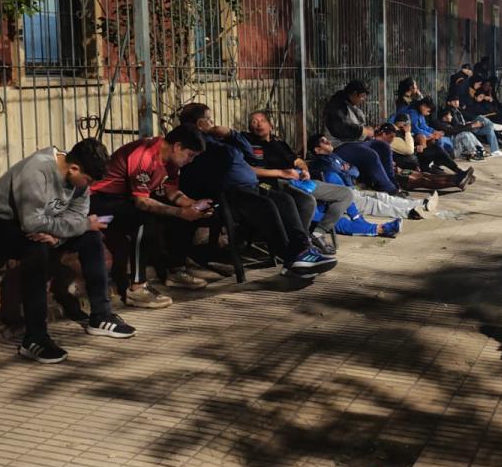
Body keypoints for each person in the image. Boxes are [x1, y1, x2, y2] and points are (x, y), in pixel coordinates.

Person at [0, 139, 135, 363]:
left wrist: (59, 236)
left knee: (91, 237)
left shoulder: (81, 180)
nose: (87, 186)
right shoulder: (37, 171)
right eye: (87, 180)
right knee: (36, 249)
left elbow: (76, 217)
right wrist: (74, 227)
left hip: (40, 225)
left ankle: (101, 315)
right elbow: (32, 223)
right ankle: (35, 338)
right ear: (74, 168)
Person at [177, 103, 338, 278]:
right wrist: (231, 139)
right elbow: (231, 157)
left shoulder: (216, 138)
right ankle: (291, 257)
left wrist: (230, 135)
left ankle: (303, 249)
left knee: (285, 199)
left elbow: (249, 155)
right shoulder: (196, 142)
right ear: (200, 123)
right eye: (209, 119)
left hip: (252, 186)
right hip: (229, 193)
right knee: (267, 205)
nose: (213, 122)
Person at [88, 125, 212, 311]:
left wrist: (192, 205)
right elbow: (142, 203)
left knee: (180, 215)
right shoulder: (144, 156)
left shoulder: (171, 161)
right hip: (100, 201)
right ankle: (137, 288)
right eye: (190, 155)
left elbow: (171, 193)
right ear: (177, 147)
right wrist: (180, 212)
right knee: (144, 219)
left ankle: (175, 270)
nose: (190, 161)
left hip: (127, 199)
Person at [243, 110, 355, 254]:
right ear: (250, 128)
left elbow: (297, 160)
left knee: (346, 193)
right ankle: (300, 242)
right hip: (273, 184)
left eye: (261, 121)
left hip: (299, 180)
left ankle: (318, 233)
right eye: (254, 122)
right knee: (308, 202)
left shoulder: (279, 142)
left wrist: (304, 170)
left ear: (270, 125)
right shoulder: (248, 144)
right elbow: (248, 170)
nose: (258, 124)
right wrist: (281, 173)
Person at [308, 133, 444, 219]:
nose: (328, 142)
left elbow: (355, 171)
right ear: (317, 150)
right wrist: (347, 171)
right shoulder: (321, 163)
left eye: (327, 140)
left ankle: (421, 204)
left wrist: (347, 171)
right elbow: (342, 176)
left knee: (381, 196)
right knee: (375, 204)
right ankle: (410, 211)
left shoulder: (334, 157)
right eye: (324, 141)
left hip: (352, 190)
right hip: (343, 196)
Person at [322, 80, 398, 193]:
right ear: (354, 93)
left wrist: (368, 131)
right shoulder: (336, 106)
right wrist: (364, 131)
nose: (363, 100)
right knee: (370, 155)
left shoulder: (349, 103)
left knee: (383, 147)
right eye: (361, 97)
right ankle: (388, 189)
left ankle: (393, 183)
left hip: (356, 142)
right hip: (340, 145)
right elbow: (340, 129)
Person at [370, 125, 472, 192]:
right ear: (383, 134)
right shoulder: (376, 145)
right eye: (391, 137)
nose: (392, 139)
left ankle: (458, 178)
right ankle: (456, 181)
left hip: (397, 171)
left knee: (424, 176)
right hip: (391, 176)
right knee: (423, 180)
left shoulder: (383, 144)